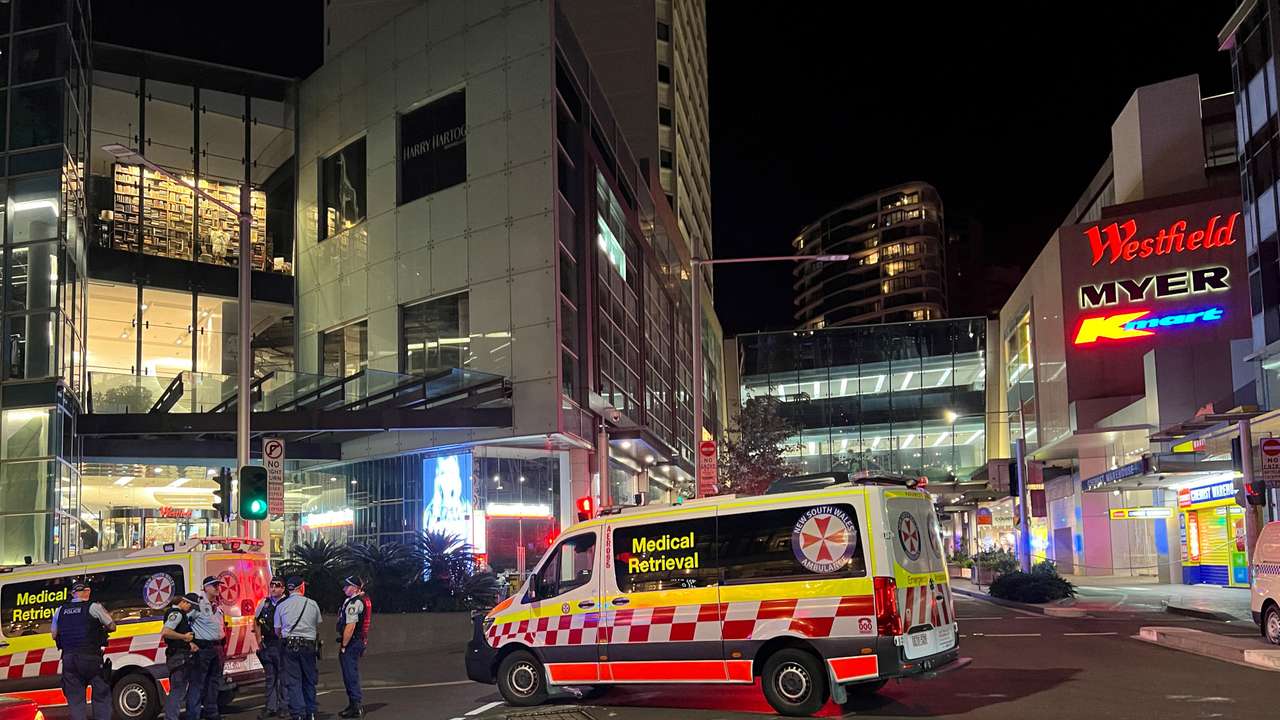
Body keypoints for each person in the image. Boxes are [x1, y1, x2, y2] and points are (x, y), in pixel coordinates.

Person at [52, 581, 116, 720]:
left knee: (76, 701)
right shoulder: (93, 607)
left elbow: (54, 635)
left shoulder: (60, 610)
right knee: (101, 695)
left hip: (69, 659)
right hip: (91, 658)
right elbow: (112, 626)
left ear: (73, 593)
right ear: (86, 592)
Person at [274, 577, 322, 720]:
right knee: (309, 679)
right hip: (308, 647)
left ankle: (298, 715)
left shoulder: (281, 606)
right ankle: (311, 713)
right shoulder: (312, 604)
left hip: (290, 646)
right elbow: (316, 623)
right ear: (301, 587)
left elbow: (277, 630)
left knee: (294, 682)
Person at [187, 576, 227, 720]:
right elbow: (184, 621)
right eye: (214, 585)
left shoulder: (217, 605)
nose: (217, 588)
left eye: (218, 585)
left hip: (216, 648)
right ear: (205, 587)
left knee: (213, 682)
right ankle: (193, 715)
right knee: (198, 683)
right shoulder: (197, 603)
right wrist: (189, 643)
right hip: (202, 648)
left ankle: (212, 713)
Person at [336, 577, 373, 718]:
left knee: (350, 674)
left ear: (356, 588)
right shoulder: (363, 599)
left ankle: (355, 706)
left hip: (352, 642)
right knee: (351, 673)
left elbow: (350, 627)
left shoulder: (355, 602)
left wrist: (344, 645)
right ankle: (353, 705)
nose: (344, 589)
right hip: (358, 641)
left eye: (347, 586)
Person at [160, 593, 200, 720]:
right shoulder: (176, 614)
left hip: (180, 655)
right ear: (184, 602)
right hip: (178, 657)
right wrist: (184, 637)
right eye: (191, 605)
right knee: (177, 690)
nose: (191, 609)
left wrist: (190, 644)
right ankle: (171, 718)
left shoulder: (179, 614)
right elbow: (166, 632)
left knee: (179, 690)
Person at [254, 579, 288, 718]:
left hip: (281, 644)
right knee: (270, 677)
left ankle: (284, 706)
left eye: (277, 586)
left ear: (283, 589)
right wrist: (258, 640)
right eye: (271, 586)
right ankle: (271, 706)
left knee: (283, 677)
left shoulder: (287, 603)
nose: (273, 589)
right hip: (268, 644)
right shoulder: (264, 603)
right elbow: (256, 621)